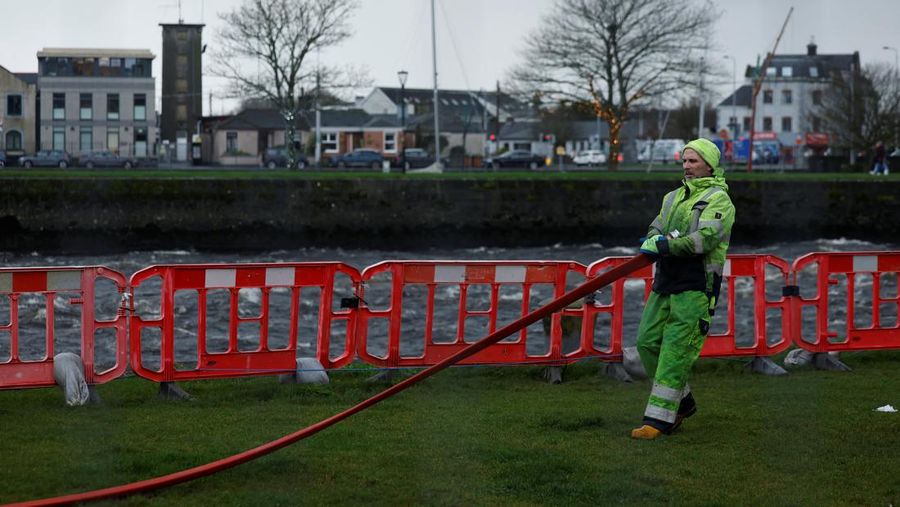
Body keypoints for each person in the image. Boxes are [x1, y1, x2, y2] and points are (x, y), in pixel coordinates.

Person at [631, 138, 736, 440]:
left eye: (693, 161)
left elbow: (705, 240)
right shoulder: (672, 196)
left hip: (696, 285)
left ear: (709, 164)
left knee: (675, 351)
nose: (687, 166)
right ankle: (684, 402)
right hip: (665, 280)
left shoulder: (720, 200)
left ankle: (660, 420)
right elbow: (657, 226)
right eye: (685, 161)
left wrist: (666, 245)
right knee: (647, 342)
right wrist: (653, 238)